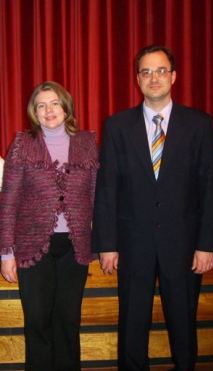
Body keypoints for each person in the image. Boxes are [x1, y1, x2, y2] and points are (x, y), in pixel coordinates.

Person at [92, 45, 213, 371]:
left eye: (161, 70)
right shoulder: (117, 126)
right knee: (132, 324)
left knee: (183, 322)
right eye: (146, 72)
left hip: (184, 244)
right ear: (137, 79)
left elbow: (209, 189)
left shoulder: (199, 124)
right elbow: (107, 189)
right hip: (134, 243)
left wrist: (206, 244)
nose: (154, 78)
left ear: (174, 76)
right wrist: (107, 244)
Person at [0, 81, 98, 371]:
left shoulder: (86, 143)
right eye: (41, 105)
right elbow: (8, 203)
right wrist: (6, 253)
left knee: (68, 322)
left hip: (75, 247)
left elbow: (95, 196)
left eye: (54, 103)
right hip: (32, 248)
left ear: (66, 107)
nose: (48, 110)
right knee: (38, 322)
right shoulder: (22, 144)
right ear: (34, 112)